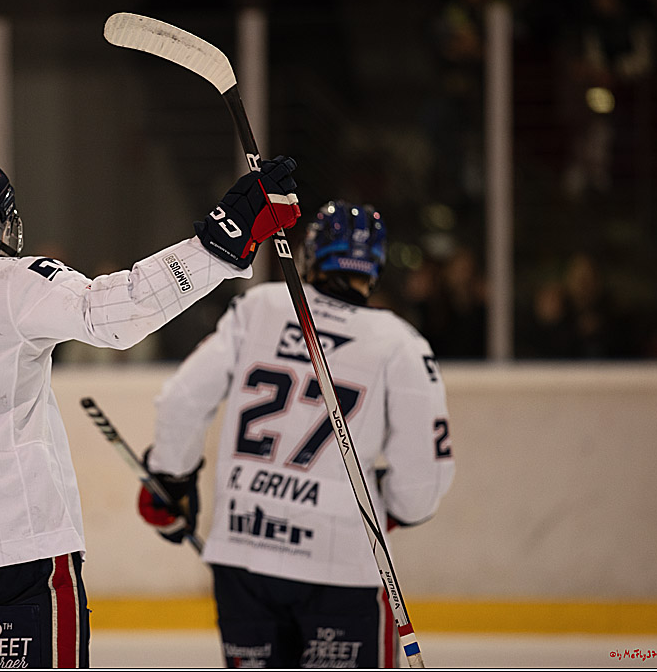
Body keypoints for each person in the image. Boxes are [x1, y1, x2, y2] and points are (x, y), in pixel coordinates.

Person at [0, 156, 301, 668]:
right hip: (9, 543)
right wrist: (218, 246)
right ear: (5, 224)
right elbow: (117, 312)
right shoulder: (12, 280)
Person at [137, 200, 456, 668]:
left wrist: (171, 481)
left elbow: (183, 399)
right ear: (377, 265)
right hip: (340, 564)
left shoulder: (259, 307)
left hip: (243, 557)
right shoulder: (400, 344)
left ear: (311, 254)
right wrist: (397, 509)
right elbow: (423, 476)